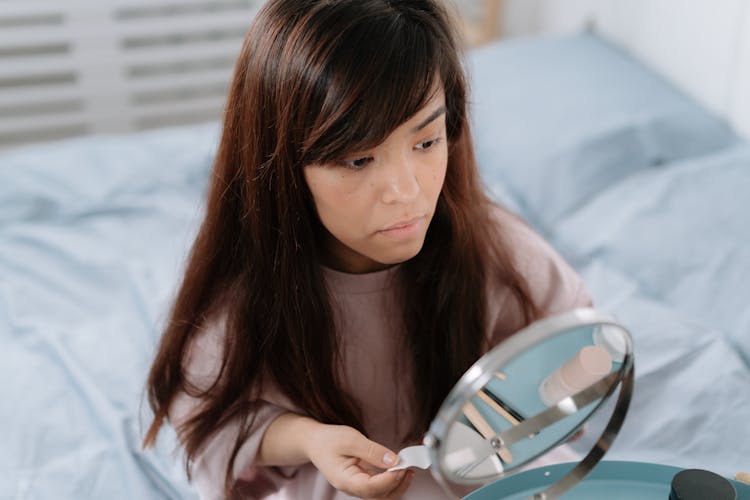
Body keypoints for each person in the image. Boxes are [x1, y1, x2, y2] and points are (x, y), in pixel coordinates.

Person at [142, 0, 592, 498]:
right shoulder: (248, 297)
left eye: (426, 142)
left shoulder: (494, 251)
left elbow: (586, 357)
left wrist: (516, 408)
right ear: (285, 169)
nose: (405, 190)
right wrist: (311, 440)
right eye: (358, 160)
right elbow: (213, 424)